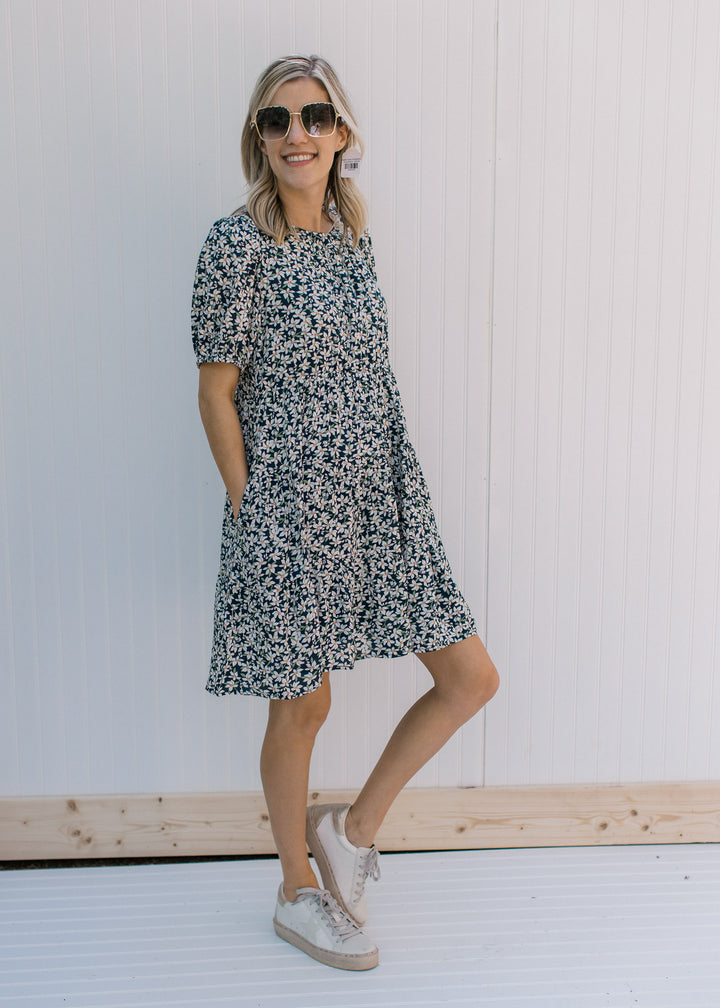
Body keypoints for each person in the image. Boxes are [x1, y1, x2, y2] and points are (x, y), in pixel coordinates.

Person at [192, 54, 499, 972]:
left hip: (380, 496)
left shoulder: (349, 235)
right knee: (304, 706)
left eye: (315, 117)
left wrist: (397, 489)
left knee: (469, 677)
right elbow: (216, 393)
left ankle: (350, 833)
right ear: (260, 139)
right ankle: (296, 889)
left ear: (342, 135)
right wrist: (251, 508)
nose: (298, 135)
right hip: (285, 509)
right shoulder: (233, 245)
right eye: (278, 121)